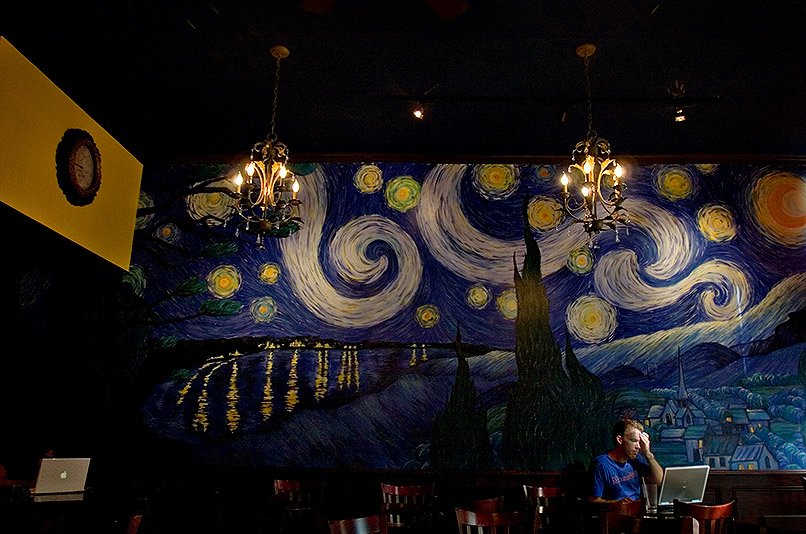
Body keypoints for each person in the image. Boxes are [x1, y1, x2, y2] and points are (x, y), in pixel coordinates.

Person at [590, 419, 663, 503]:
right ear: (620, 440)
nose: (638, 447)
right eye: (634, 441)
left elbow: (659, 481)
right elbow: (593, 500)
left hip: (637, 508)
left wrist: (648, 453)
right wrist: (617, 503)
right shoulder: (602, 463)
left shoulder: (637, 459)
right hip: (614, 510)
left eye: (639, 442)